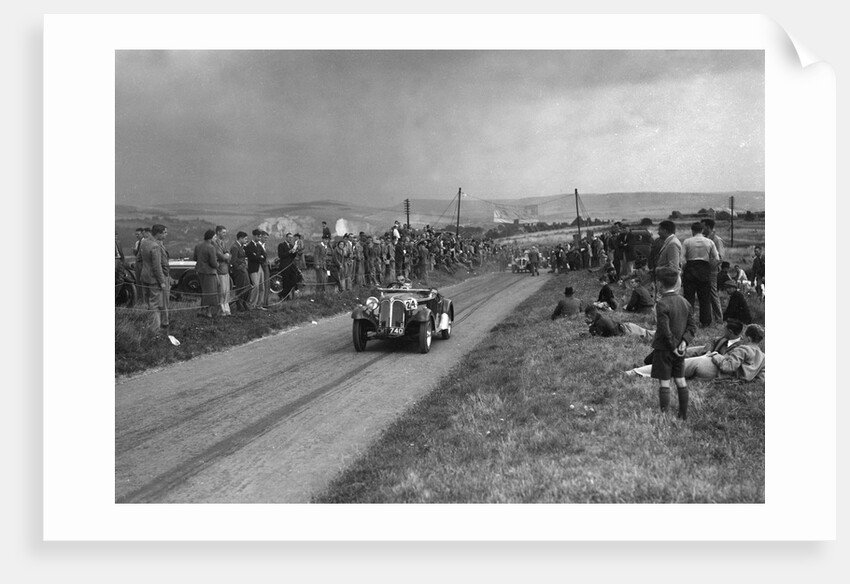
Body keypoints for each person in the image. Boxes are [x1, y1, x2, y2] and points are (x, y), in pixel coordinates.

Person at [628, 323, 764, 382]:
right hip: (721, 375)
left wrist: (715, 356)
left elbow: (727, 366)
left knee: (679, 365)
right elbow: (761, 378)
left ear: (749, 338)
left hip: (713, 366)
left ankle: (635, 372)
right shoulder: (763, 356)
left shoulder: (744, 349)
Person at [648, 266, 697, 419]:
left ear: (660, 285)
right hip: (680, 350)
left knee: (664, 382)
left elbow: (664, 330)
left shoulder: (662, 304)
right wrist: (684, 342)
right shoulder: (685, 302)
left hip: (664, 349)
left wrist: (673, 346)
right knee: (681, 380)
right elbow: (692, 327)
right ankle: (683, 415)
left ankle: (664, 415)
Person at [681, 221, 720, 327]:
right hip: (704, 269)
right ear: (702, 230)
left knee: (689, 297)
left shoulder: (687, 241)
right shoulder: (709, 242)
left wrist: (685, 269)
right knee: (705, 298)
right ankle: (706, 322)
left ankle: (688, 321)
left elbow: (682, 259)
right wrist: (709, 268)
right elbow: (717, 258)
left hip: (690, 268)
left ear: (692, 230)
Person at [139, 224, 170, 332]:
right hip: (153, 279)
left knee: (148, 303)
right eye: (164, 233)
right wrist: (162, 281)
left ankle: (149, 326)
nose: (165, 235)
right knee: (155, 305)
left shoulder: (144, 242)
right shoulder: (155, 246)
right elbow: (157, 266)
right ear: (158, 233)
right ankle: (155, 330)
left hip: (144, 277)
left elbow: (140, 259)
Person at [584, 305, 654, 340]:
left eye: (587, 316)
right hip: (626, 326)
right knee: (648, 333)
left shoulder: (600, 323)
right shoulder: (600, 319)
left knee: (648, 334)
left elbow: (596, 336)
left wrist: (590, 325)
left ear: (589, 315)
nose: (586, 318)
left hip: (627, 330)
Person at [702, 218, 726, 324]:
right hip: (704, 271)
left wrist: (709, 265)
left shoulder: (716, 240)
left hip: (711, 271)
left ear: (707, 227)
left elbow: (720, 257)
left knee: (712, 293)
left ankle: (719, 318)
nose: (701, 229)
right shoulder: (706, 239)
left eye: (703, 226)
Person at [193, 229, 220, 318]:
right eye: (215, 237)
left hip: (200, 271)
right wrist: (217, 264)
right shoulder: (211, 247)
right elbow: (213, 263)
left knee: (204, 291)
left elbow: (195, 258)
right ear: (211, 238)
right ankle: (208, 312)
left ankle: (202, 310)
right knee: (210, 292)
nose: (216, 238)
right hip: (209, 272)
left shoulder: (198, 245)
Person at [229, 231, 251, 312]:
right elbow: (233, 260)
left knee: (246, 287)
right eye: (245, 239)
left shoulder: (240, 246)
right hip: (239, 271)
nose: (246, 240)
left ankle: (244, 303)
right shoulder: (235, 247)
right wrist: (240, 268)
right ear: (240, 238)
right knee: (241, 287)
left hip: (243, 269)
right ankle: (240, 304)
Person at [246, 229, 267, 310]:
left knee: (262, 287)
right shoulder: (249, 246)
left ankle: (259, 305)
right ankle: (252, 305)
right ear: (254, 236)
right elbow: (252, 257)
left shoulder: (259, 246)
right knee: (256, 286)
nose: (259, 238)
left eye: (260, 237)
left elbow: (264, 255)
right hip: (253, 268)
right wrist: (259, 257)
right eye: (258, 236)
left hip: (260, 267)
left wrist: (259, 257)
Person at [214, 225, 232, 316]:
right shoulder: (214, 243)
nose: (225, 234)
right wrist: (226, 256)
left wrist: (226, 256)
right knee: (221, 291)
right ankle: (221, 310)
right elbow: (220, 255)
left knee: (226, 291)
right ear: (218, 232)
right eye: (223, 232)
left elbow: (228, 254)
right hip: (220, 270)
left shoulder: (223, 243)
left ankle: (226, 308)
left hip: (225, 269)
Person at [276, 232, 299, 300]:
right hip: (284, 266)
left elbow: (292, 257)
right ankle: (285, 297)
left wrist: (294, 252)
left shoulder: (292, 246)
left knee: (294, 280)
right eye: (289, 237)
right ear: (286, 237)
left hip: (291, 266)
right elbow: (280, 255)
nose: (290, 239)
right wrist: (289, 252)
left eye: (291, 238)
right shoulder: (281, 245)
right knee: (285, 282)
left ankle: (282, 294)